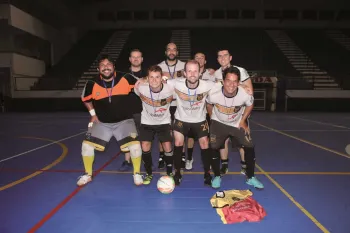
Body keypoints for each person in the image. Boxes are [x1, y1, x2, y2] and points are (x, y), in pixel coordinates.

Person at [78, 54, 143, 186]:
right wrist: (92, 113)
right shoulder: (91, 83)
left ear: (114, 67)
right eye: (102, 65)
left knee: (135, 146)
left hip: (124, 121)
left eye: (108, 65)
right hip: (102, 122)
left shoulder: (126, 77)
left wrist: (160, 81)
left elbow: (142, 83)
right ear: (98, 69)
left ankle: (137, 174)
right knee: (86, 146)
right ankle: (87, 174)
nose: (106, 67)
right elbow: (85, 99)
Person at [206, 66, 263, 189]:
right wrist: (212, 119)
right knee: (213, 147)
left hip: (236, 123)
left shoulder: (244, 94)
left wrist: (243, 120)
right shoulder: (214, 93)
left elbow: (250, 104)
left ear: (238, 83)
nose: (231, 85)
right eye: (228, 80)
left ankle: (251, 177)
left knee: (249, 145)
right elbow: (209, 104)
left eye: (234, 81)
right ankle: (216, 176)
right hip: (219, 122)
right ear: (223, 81)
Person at [167, 60, 221, 188]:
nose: (192, 74)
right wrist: (144, 80)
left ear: (200, 72)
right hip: (181, 119)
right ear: (184, 73)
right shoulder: (176, 83)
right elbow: (157, 81)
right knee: (178, 143)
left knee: (205, 143)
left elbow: (227, 84)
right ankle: (178, 173)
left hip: (199, 120)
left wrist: (243, 85)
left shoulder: (207, 85)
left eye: (195, 71)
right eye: (189, 71)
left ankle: (207, 174)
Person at [214, 49, 253, 176]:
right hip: (223, 113)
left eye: (225, 55)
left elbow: (249, 91)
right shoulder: (216, 73)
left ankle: (244, 166)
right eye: (220, 56)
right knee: (223, 141)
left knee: (242, 142)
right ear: (217, 59)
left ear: (230, 57)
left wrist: (237, 84)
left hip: (238, 113)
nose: (223, 58)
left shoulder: (240, 71)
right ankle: (224, 165)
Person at [134, 65, 174, 185]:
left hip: (164, 121)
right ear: (147, 78)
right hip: (147, 121)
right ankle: (149, 173)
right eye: (151, 77)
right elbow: (136, 85)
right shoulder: (141, 88)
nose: (154, 80)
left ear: (162, 78)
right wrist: (142, 80)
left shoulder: (169, 89)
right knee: (145, 146)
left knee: (167, 146)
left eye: (157, 77)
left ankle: (169, 172)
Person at [158, 42, 190, 170]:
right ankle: (162, 156)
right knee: (163, 131)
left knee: (179, 131)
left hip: (179, 104)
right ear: (166, 52)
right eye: (169, 50)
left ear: (177, 52)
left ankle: (181, 155)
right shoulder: (159, 66)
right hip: (165, 104)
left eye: (174, 50)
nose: (171, 52)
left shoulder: (185, 66)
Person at [118, 49, 148, 171]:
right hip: (126, 111)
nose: (136, 59)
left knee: (144, 137)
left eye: (138, 57)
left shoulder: (148, 74)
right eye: (133, 57)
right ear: (130, 59)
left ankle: (146, 161)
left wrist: (145, 79)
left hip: (143, 111)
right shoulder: (122, 75)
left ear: (142, 59)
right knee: (128, 137)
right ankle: (127, 161)